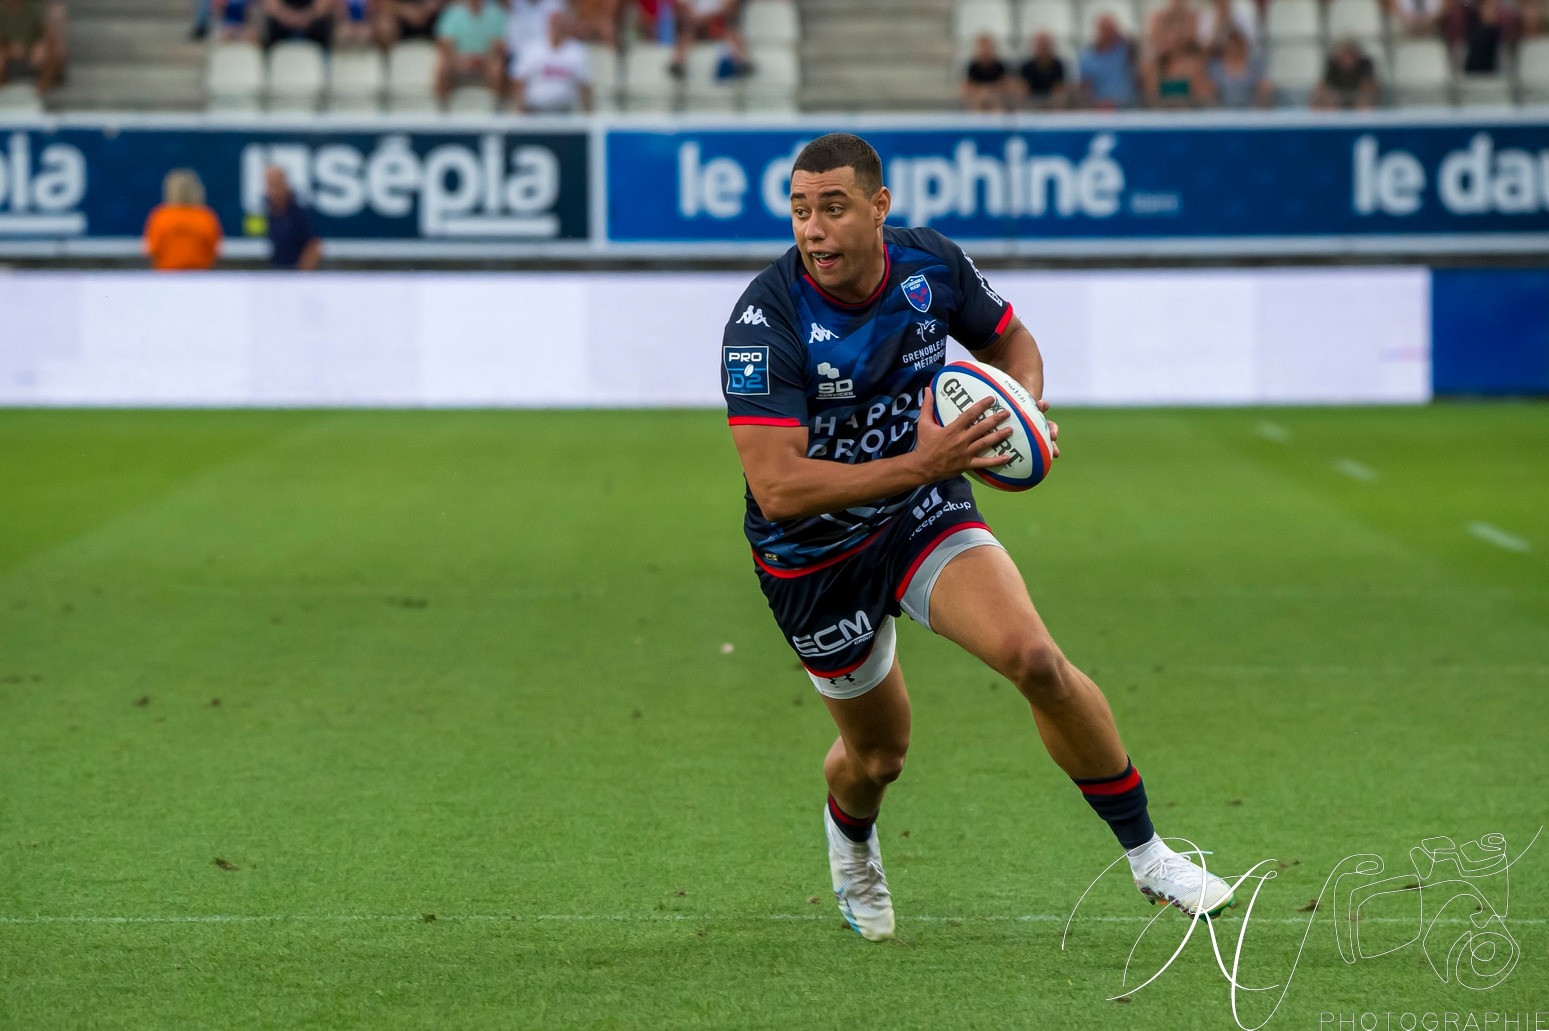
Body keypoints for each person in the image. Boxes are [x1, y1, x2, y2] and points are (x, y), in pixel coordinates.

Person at [720, 132, 1235, 943]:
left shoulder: (930, 266)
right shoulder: (765, 317)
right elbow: (778, 487)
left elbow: (1009, 343)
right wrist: (921, 458)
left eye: (832, 207)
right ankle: (851, 840)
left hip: (921, 513)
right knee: (878, 756)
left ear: (878, 209)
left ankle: (1148, 853)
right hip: (811, 559)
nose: (812, 229)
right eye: (798, 210)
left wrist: (1017, 412)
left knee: (1035, 659)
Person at [509, 9, 592, 112]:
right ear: (548, 24)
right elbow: (519, 81)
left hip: (565, 111)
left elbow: (585, 84)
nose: (557, 27)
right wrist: (519, 111)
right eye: (554, 23)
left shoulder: (576, 51)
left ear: (566, 25)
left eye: (560, 23)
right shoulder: (532, 49)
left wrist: (589, 115)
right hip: (534, 110)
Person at [143, 170, 223, 272]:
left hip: (166, 277)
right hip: (200, 277)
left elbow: (151, 250)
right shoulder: (206, 217)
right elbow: (215, 250)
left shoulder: (161, 216)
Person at [433, 0, 507, 104]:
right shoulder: (453, 12)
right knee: (442, 67)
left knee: (497, 67)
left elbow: (499, 44)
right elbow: (445, 42)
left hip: (486, 60)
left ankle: (493, 106)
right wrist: (460, 60)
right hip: (458, 59)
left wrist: (482, 59)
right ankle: (442, 107)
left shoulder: (495, 13)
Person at [263, 166, 322, 271]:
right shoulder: (267, 211)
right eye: (270, 184)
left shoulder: (299, 213)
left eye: (276, 184)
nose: (273, 190)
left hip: (295, 274)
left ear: (285, 184)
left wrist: (299, 276)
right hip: (276, 272)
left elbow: (314, 246)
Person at [0, 0, 64, 93]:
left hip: (31, 52)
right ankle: (3, 92)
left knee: (54, 53)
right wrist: (8, 48)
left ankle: (39, 91)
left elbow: (49, 34)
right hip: (6, 52)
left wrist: (40, 45)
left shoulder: (35, 7)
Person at [1077, 14, 1139, 109]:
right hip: (1099, 109)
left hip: (1127, 108)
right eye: (1104, 29)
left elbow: (1136, 46)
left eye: (1110, 29)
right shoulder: (1087, 56)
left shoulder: (1125, 50)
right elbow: (1084, 87)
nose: (1107, 33)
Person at [1207, 29, 1272, 107]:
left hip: (1250, 109)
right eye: (1231, 46)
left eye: (1236, 45)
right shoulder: (1216, 68)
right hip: (1222, 110)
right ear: (1225, 47)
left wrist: (1264, 89)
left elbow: (1264, 85)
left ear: (1242, 46)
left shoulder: (1254, 66)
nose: (1234, 49)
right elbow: (1207, 89)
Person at [1312, 37, 1379, 108]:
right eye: (1344, 55)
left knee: (1365, 103)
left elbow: (1369, 87)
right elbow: (1323, 86)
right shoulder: (1333, 64)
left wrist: (1361, 97)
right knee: (1321, 100)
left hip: (1358, 95)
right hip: (1336, 96)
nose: (1347, 60)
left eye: (1350, 54)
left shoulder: (1365, 63)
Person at [961, 33, 1010, 111]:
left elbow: (1004, 85)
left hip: (996, 97)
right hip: (978, 98)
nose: (985, 50)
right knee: (978, 98)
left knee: (995, 100)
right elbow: (967, 87)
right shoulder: (973, 67)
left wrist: (989, 91)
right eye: (982, 48)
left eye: (987, 47)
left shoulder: (999, 66)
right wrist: (981, 91)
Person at [1018, 31, 1068, 108]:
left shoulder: (1058, 65)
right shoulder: (1027, 66)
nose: (1043, 49)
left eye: (1045, 46)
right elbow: (1024, 90)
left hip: (1052, 102)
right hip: (1031, 103)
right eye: (1040, 46)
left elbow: (1059, 88)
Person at [262, 0, 335, 48]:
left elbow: (323, 7)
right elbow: (271, 6)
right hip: (279, 34)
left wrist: (303, 18)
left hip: (315, 34)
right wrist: (292, 19)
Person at [376, 0, 440, 47]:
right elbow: (386, 5)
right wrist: (404, 11)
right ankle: (390, 58)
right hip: (402, 25)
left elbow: (420, 17)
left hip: (432, 25)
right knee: (384, 22)